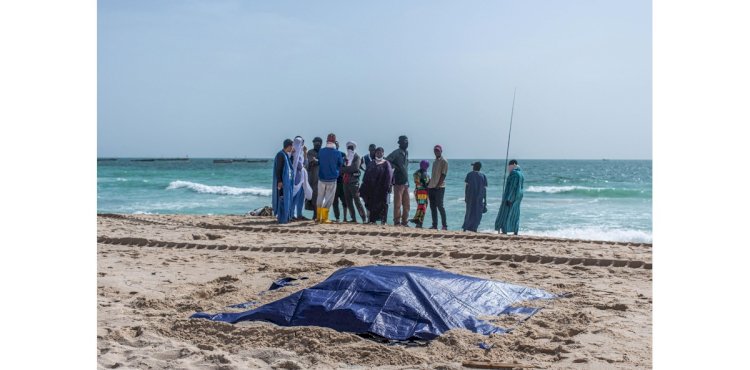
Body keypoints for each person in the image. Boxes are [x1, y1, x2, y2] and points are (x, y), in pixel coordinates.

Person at [360, 147, 392, 224]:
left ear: (383, 153)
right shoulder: (372, 163)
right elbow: (366, 175)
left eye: (380, 152)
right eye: (377, 152)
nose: (379, 154)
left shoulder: (386, 163)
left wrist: (388, 186)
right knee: (371, 204)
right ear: (375, 154)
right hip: (372, 189)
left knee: (383, 205)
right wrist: (362, 187)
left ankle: (383, 221)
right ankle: (372, 220)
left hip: (382, 189)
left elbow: (390, 176)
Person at [316, 134, 343, 223]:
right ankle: (324, 218)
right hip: (332, 179)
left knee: (320, 197)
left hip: (321, 178)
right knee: (328, 199)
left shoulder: (321, 151)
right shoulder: (337, 153)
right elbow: (340, 164)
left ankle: (317, 217)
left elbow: (319, 161)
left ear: (327, 141)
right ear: (335, 141)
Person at [495, 159, 525, 235]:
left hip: (511, 197)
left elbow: (513, 187)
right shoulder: (521, 174)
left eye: (509, 166)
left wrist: (509, 198)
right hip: (518, 197)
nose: (508, 168)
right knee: (515, 213)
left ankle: (505, 230)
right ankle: (515, 230)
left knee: (506, 213)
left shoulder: (514, 174)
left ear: (513, 165)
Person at [386, 135, 410, 226]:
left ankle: (405, 222)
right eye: (404, 141)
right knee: (398, 204)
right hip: (398, 182)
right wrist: (395, 167)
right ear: (400, 143)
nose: (406, 143)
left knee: (407, 205)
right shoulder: (396, 152)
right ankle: (397, 222)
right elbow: (387, 160)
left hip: (406, 182)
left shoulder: (406, 152)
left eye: (407, 141)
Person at [341, 141, 367, 223]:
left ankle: (364, 219)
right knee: (348, 202)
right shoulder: (345, 158)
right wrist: (346, 170)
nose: (349, 149)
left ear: (354, 148)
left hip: (354, 183)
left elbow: (355, 168)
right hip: (345, 182)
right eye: (348, 147)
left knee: (357, 201)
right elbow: (340, 169)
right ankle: (353, 219)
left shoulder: (357, 157)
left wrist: (345, 169)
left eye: (351, 147)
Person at [272, 139, 294, 224]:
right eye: (292, 146)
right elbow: (279, 169)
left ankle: (285, 217)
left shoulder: (285, 155)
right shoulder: (280, 155)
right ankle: (282, 218)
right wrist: (280, 181)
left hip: (286, 182)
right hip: (282, 182)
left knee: (285, 198)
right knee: (282, 198)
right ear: (289, 146)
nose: (292, 148)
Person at [427, 144, 449, 230]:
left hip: (440, 187)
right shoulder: (434, 161)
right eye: (435, 150)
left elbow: (444, 175)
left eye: (438, 150)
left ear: (441, 151)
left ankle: (444, 225)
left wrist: (438, 185)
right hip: (431, 186)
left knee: (440, 206)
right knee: (432, 207)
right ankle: (434, 225)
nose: (436, 152)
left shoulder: (444, 161)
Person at [462, 161, 488, 232]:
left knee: (469, 212)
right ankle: (474, 228)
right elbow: (484, 189)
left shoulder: (469, 175)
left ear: (474, 167)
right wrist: (485, 200)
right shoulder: (483, 176)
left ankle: (465, 228)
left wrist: (465, 197)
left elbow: (466, 187)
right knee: (477, 214)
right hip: (479, 198)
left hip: (470, 197)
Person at [291, 137, 312, 221]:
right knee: (294, 198)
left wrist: (305, 153)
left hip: (301, 180)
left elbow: (305, 164)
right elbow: (300, 166)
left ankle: (299, 215)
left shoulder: (300, 154)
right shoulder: (292, 154)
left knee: (301, 198)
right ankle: (292, 215)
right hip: (295, 180)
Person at [305, 137, 323, 220]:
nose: (316, 144)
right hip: (312, 177)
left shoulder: (323, 152)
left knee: (321, 197)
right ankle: (315, 215)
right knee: (313, 197)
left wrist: (318, 161)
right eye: (315, 143)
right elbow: (311, 161)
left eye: (318, 143)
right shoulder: (310, 152)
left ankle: (319, 215)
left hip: (322, 177)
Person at [410, 160, 430, 228]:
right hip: (421, 192)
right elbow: (417, 182)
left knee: (422, 206)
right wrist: (425, 185)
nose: (427, 166)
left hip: (422, 192)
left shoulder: (423, 172)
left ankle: (418, 222)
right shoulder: (420, 173)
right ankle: (418, 221)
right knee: (422, 206)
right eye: (426, 165)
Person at [332, 141, 348, 222]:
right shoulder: (330, 155)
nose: (336, 146)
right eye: (335, 144)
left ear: (338, 145)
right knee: (334, 201)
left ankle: (345, 218)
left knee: (344, 200)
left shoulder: (343, 154)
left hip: (341, 181)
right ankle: (337, 218)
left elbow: (345, 166)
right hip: (333, 181)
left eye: (337, 144)